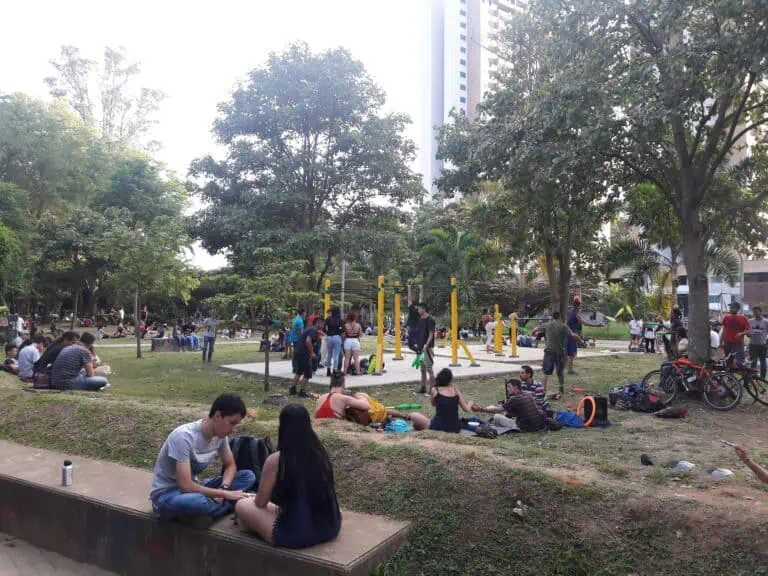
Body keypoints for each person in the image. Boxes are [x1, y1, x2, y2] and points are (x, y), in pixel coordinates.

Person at [235, 404, 342, 548]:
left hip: (296, 535)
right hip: (331, 527)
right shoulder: (320, 454)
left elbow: (260, 503)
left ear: (282, 426)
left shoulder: (277, 460)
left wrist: (252, 497)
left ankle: (251, 525)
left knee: (242, 504)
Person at [150, 393, 256, 523]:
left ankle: (208, 512)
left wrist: (224, 488)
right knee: (198, 502)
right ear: (218, 415)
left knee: (248, 476)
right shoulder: (183, 437)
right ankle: (231, 506)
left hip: (196, 487)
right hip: (168, 494)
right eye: (232, 423)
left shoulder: (220, 437)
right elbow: (185, 485)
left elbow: (230, 465)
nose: (233, 430)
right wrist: (224, 494)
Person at [408, 368, 474, 433]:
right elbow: (466, 409)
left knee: (412, 415)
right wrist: (471, 402)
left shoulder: (434, 390)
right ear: (450, 380)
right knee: (418, 425)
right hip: (455, 427)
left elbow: (433, 404)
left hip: (438, 426)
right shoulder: (455, 390)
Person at [473, 378, 547, 432]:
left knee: (496, 417)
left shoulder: (515, 399)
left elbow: (499, 410)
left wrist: (480, 409)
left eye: (509, 387)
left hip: (526, 428)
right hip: (538, 425)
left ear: (515, 387)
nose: (508, 389)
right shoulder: (528, 395)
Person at [540, 311, 577, 398]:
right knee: (560, 372)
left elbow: (535, 330)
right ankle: (561, 389)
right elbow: (572, 335)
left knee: (546, 372)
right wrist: (578, 338)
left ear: (552, 317)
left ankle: (542, 390)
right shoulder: (564, 326)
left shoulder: (547, 325)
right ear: (560, 317)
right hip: (559, 352)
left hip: (548, 351)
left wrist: (534, 333)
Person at [290, 317, 324, 397]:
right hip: (303, 353)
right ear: (318, 323)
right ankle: (301, 392)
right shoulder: (313, 330)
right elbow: (308, 341)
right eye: (322, 324)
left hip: (298, 351)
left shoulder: (310, 329)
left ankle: (293, 389)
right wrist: (312, 353)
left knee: (299, 372)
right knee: (308, 373)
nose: (323, 326)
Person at [415, 303, 437, 394]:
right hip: (420, 348)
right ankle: (423, 387)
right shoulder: (421, 320)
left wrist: (426, 346)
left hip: (427, 348)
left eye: (419, 309)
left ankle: (432, 389)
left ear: (424, 309)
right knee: (422, 369)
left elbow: (431, 334)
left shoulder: (430, 320)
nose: (418, 311)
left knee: (429, 368)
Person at [721, 301, 750, 366]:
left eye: (732, 307)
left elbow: (749, 331)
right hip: (727, 343)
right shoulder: (726, 317)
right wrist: (721, 342)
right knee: (728, 362)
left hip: (738, 344)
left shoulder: (743, 318)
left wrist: (741, 333)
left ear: (737, 309)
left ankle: (744, 375)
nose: (730, 308)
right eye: (730, 307)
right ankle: (730, 376)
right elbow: (724, 330)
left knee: (740, 363)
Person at [748, 306, 768, 379]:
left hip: (763, 345)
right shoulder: (750, 321)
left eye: (756, 312)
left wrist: (767, 343)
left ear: (760, 312)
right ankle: (753, 377)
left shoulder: (766, 322)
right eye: (754, 312)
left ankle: (762, 377)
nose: (755, 313)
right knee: (753, 361)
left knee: (763, 361)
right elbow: (748, 332)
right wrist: (748, 334)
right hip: (752, 344)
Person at [342, 311, 363, 376]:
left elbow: (343, 334)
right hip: (355, 341)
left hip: (347, 340)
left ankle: (345, 372)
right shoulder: (358, 325)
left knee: (347, 358)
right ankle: (358, 372)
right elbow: (361, 335)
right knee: (356, 358)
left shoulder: (345, 325)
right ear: (355, 317)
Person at [324, 307, 344, 376]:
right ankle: (335, 370)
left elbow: (324, 328)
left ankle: (328, 369)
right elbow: (342, 330)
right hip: (337, 337)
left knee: (329, 354)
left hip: (329, 337)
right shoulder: (340, 320)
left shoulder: (328, 319)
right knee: (336, 354)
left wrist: (327, 333)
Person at [406, 285, 424, 352]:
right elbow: (421, 298)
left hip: (412, 329)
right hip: (418, 329)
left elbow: (409, 298)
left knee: (411, 346)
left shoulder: (411, 307)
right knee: (418, 344)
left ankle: (418, 351)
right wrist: (421, 289)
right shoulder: (420, 309)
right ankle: (419, 351)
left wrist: (409, 288)